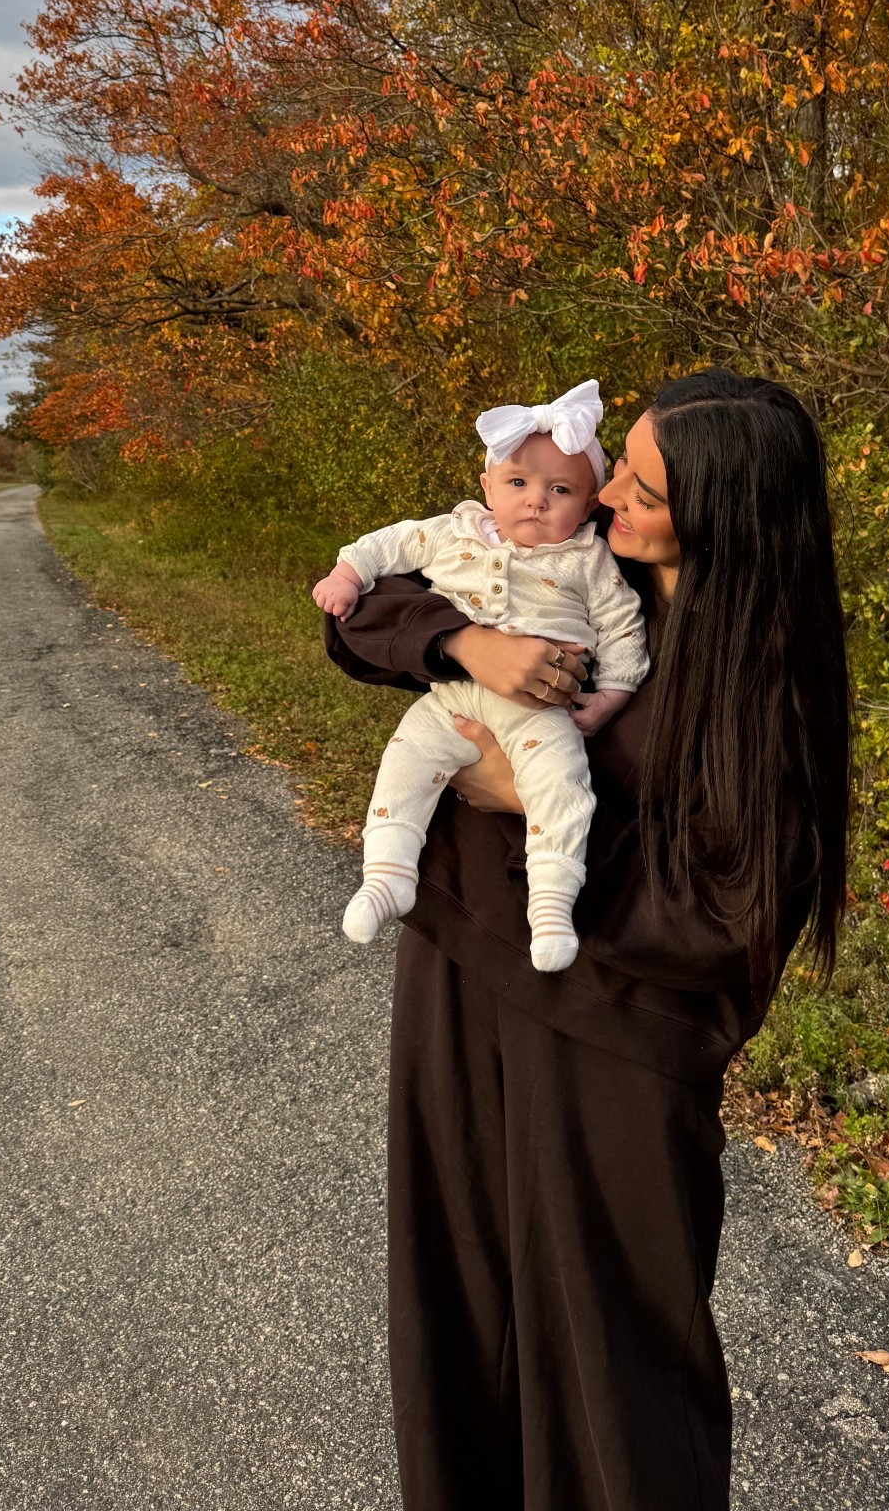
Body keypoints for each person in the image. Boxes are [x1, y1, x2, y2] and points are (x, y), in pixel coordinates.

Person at [322, 367, 851, 1511]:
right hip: (462, 971)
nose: (602, 488)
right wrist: (465, 644)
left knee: (616, 1352)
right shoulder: (589, 564)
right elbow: (361, 607)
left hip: (617, 1036)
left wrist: (527, 800)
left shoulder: (765, 682)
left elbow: (724, 918)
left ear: (724, 511)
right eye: (620, 465)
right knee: (461, 1302)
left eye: (640, 484)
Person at [311, 378, 648, 971]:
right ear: (487, 485)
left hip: (541, 708)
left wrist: (613, 697)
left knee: (561, 786)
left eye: (560, 489)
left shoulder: (589, 559)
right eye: (517, 483)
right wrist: (346, 573)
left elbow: (623, 627)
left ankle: (551, 903)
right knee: (405, 763)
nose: (535, 500)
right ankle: (386, 874)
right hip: (453, 697)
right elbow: (387, 547)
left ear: (593, 501)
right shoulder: (453, 531)